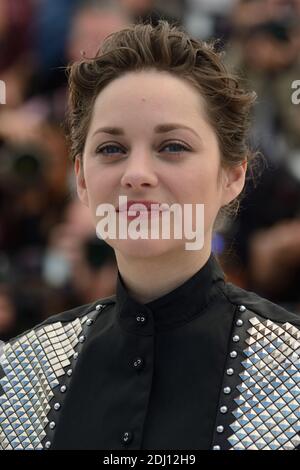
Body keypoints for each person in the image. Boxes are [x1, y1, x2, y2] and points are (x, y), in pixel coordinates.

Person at [1, 21, 300, 451]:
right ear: (82, 179)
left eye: (173, 146)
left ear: (233, 174)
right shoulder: (22, 372)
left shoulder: (290, 368)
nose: (136, 174)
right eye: (111, 149)